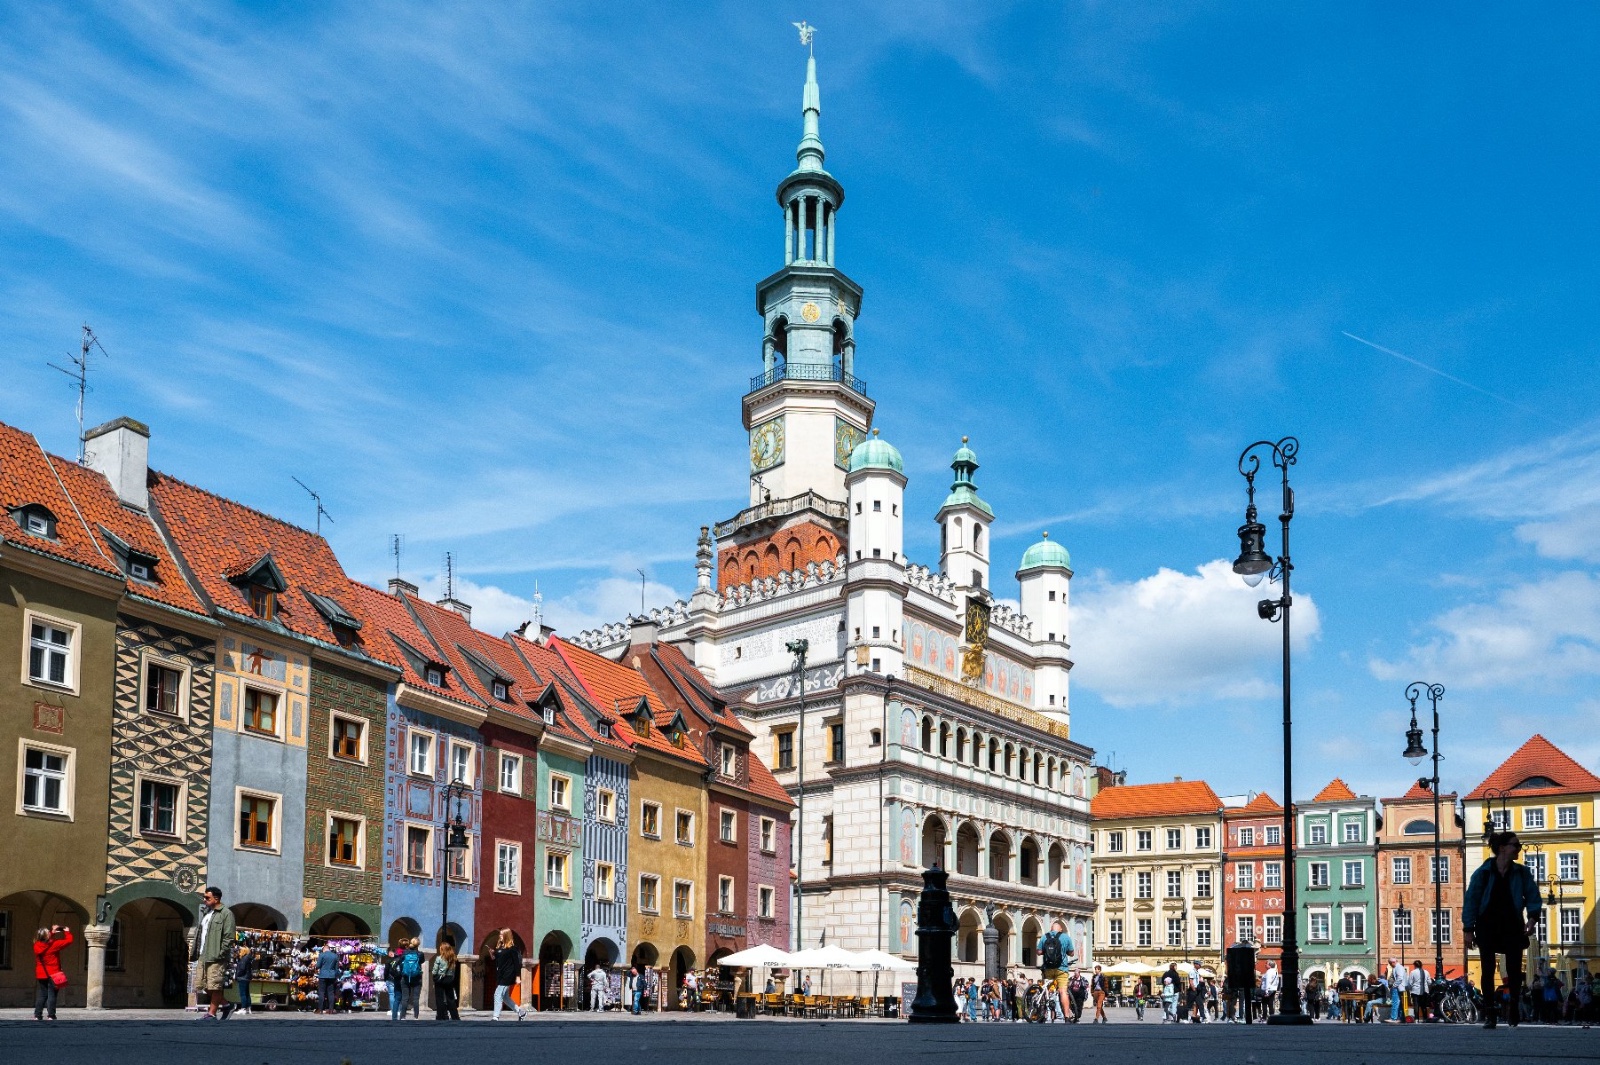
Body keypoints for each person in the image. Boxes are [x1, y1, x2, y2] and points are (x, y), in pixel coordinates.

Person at [1464, 830, 1542, 1030]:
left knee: (1515, 969)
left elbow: (1533, 896)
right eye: (1515, 845)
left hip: (1512, 924)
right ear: (1502, 848)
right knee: (1487, 969)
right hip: (1487, 925)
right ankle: (1490, 1013)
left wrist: (1532, 918)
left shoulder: (1522, 873)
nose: (1519, 849)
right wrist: (1468, 929)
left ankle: (1513, 1007)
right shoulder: (1483, 872)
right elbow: (1471, 900)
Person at [191, 886, 236, 1021]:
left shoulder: (226, 914)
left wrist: (221, 953)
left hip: (216, 956)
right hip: (203, 955)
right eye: (204, 897)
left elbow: (229, 936)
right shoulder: (207, 914)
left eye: (207, 897)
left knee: (215, 986)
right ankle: (227, 1005)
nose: (204, 900)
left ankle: (211, 1014)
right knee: (202, 985)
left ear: (216, 899)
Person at [1035, 919, 1075, 1023]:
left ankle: (1043, 1014)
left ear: (1051, 929)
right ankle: (1066, 1017)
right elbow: (1071, 953)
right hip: (1061, 969)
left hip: (1048, 968)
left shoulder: (1045, 937)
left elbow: (1038, 952)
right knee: (1063, 991)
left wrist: (1045, 952)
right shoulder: (1066, 937)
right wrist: (1065, 951)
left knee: (1047, 990)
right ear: (1060, 929)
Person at [33, 925, 73, 1022]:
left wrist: (53, 932)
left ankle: (37, 1015)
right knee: (52, 995)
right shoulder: (54, 944)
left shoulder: (37, 945)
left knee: (43, 994)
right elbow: (69, 941)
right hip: (53, 974)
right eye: (48, 932)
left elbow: (46, 941)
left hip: (41, 973)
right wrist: (67, 932)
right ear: (47, 936)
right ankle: (51, 1015)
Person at [492, 929, 526, 1020]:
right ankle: (521, 1012)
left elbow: (517, 963)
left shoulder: (512, 949)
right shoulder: (500, 948)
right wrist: (492, 954)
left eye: (501, 935)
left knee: (497, 994)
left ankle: (495, 1017)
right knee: (505, 997)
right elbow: (497, 959)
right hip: (500, 974)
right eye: (500, 934)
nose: (500, 936)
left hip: (508, 974)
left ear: (506, 936)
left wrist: (518, 976)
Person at [433, 939, 461, 1021]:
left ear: (442, 949)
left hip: (440, 978)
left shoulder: (439, 958)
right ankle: (455, 1016)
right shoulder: (453, 958)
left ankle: (441, 1016)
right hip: (449, 979)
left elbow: (435, 970)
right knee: (450, 998)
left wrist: (435, 976)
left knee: (439, 998)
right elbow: (454, 971)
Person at [398, 938, 424, 1019]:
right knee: (416, 998)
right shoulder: (420, 954)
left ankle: (403, 1016)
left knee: (405, 998)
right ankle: (416, 1017)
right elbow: (422, 961)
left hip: (405, 977)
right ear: (418, 945)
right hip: (417, 978)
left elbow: (400, 962)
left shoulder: (405, 953)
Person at [316, 941, 340, 1014]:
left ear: (324, 949)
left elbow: (318, 966)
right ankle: (331, 1010)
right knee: (331, 993)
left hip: (323, 975)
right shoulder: (335, 956)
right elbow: (337, 968)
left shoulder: (322, 955)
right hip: (332, 976)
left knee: (321, 992)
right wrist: (336, 975)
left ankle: (320, 1009)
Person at [384, 939, 405, 1020]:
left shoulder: (389, 960)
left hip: (391, 979)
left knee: (392, 995)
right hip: (400, 978)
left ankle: (393, 1011)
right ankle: (399, 1010)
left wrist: (385, 979)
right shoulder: (401, 958)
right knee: (400, 995)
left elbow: (386, 970)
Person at [234, 946, 255, 1016]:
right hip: (247, 977)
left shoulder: (244, 959)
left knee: (243, 994)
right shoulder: (248, 958)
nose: (239, 952)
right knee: (247, 993)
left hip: (242, 978)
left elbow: (241, 969)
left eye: (240, 951)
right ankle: (248, 1008)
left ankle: (243, 1008)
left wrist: (236, 976)